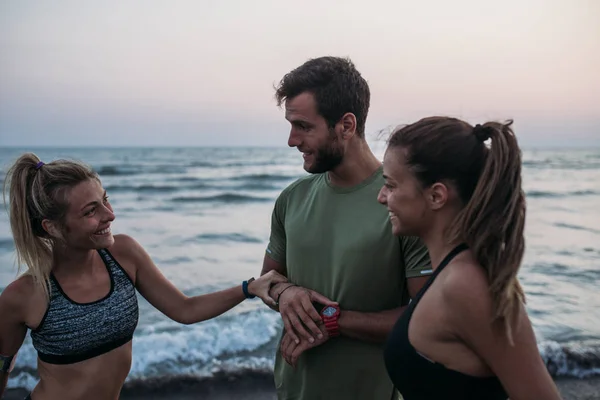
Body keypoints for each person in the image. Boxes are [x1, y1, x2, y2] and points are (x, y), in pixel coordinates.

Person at [0, 153, 287, 400]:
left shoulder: (123, 254)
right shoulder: (26, 294)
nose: (109, 215)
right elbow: (3, 365)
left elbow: (185, 309)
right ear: (52, 227)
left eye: (105, 200)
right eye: (91, 211)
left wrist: (249, 288)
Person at [259, 56, 432, 400]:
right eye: (290, 125)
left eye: (304, 126)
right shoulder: (292, 199)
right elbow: (268, 282)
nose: (292, 140)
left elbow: (427, 319)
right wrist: (286, 293)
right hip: (293, 391)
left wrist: (335, 322)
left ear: (346, 126)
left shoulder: (403, 203)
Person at [379, 117, 563, 399]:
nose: (382, 197)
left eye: (391, 185)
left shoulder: (465, 284)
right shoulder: (448, 272)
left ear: (436, 196)